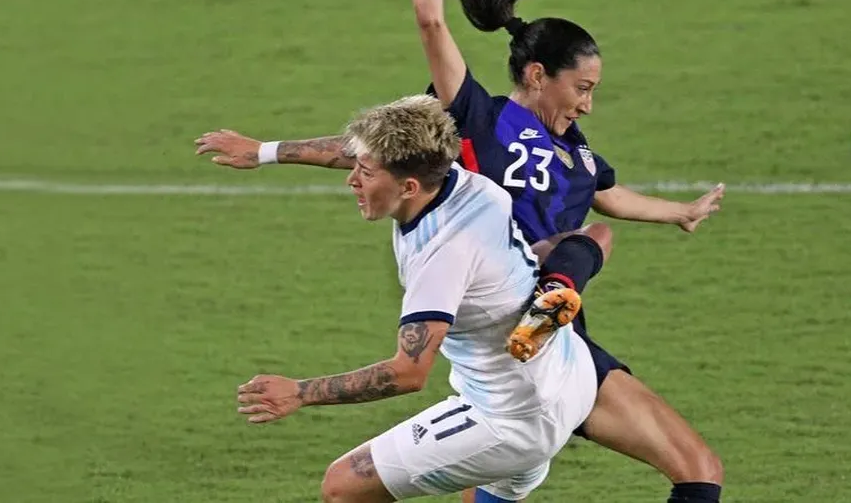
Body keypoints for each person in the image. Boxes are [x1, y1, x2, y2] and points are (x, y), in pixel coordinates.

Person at [196, 0, 726, 502]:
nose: (587, 103)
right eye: (581, 87)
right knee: (586, 251)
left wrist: (677, 211)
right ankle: (549, 298)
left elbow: (609, 202)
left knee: (591, 254)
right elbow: (399, 91)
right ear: (538, 75)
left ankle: (549, 302)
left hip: (538, 350)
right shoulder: (478, 122)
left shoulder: (569, 162)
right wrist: (270, 150)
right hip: (525, 337)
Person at [233, 94, 596, 502]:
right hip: (568, 377)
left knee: (343, 486)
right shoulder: (456, 176)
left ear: (408, 186)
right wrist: (263, 152)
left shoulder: (441, 254)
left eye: (365, 173)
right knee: (486, 490)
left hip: (510, 419)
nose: (351, 179)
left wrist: (300, 392)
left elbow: (408, 372)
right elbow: (359, 150)